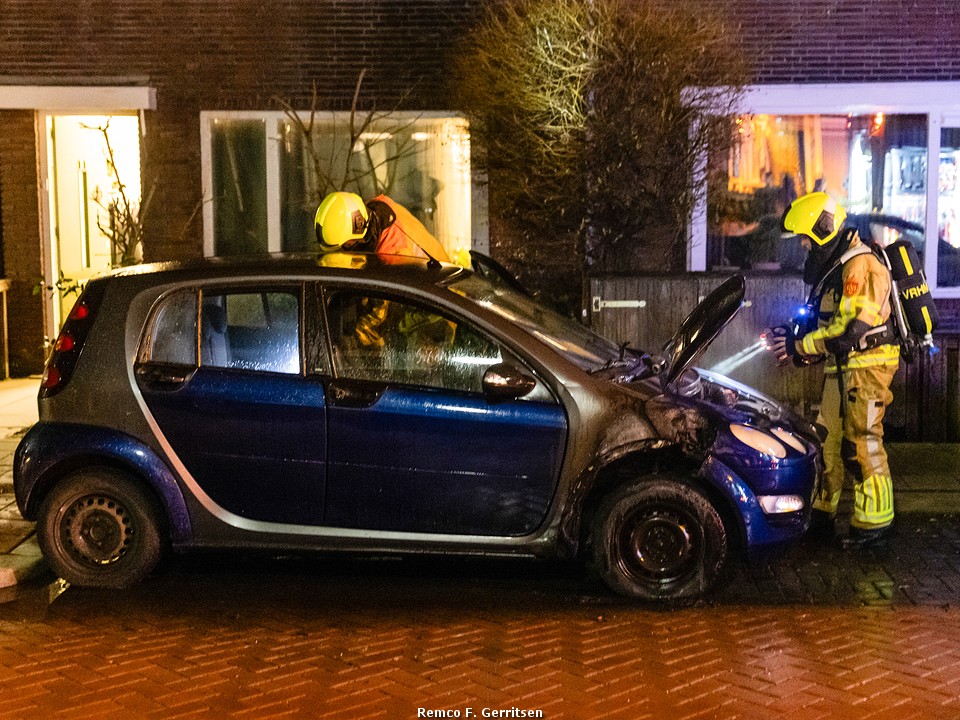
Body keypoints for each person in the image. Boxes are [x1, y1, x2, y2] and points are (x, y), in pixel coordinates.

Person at [762, 192, 900, 550]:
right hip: (844, 368)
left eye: (807, 238)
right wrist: (791, 340)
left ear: (823, 230)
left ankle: (875, 525)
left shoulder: (861, 267)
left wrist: (800, 347)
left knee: (862, 443)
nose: (806, 246)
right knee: (826, 440)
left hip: (867, 369)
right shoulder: (838, 268)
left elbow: (849, 330)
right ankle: (823, 514)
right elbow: (825, 325)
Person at [314, 191, 450, 263]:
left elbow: (387, 305)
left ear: (358, 229)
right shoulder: (378, 208)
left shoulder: (392, 254)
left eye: (346, 246)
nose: (344, 251)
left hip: (444, 299)